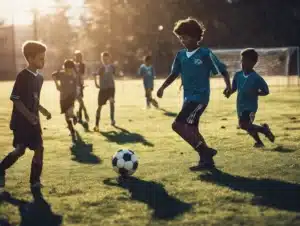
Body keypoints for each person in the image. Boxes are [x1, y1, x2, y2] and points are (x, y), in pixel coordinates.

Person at [157, 17, 231, 170]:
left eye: (185, 36)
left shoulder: (205, 53)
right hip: (188, 99)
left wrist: (228, 86)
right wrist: (162, 87)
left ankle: (205, 151)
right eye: (180, 37)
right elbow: (174, 74)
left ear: (196, 36)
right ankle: (206, 162)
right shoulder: (181, 55)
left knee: (177, 125)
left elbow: (222, 69)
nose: (182, 40)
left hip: (200, 98)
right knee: (192, 129)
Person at [0, 41, 51, 190]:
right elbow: (16, 99)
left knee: (39, 148)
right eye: (40, 58)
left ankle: (35, 181)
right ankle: (1, 169)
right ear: (30, 58)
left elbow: (34, 99)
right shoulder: (22, 76)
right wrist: (29, 116)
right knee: (20, 150)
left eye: (44, 58)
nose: (43, 61)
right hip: (21, 121)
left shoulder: (40, 78)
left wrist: (42, 110)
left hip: (34, 122)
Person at [225, 48, 275, 147]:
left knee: (243, 125)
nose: (242, 62)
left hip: (251, 106)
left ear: (253, 63)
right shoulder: (238, 75)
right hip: (240, 105)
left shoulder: (256, 78)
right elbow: (234, 88)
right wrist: (229, 92)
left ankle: (263, 130)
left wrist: (255, 93)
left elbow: (266, 91)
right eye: (241, 60)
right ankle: (259, 142)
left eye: (245, 60)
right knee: (247, 126)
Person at [52, 59, 78, 143]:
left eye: (72, 68)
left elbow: (76, 86)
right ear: (66, 68)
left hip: (71, 97)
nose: (70, 70)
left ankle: (74, 117)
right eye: (69, 68)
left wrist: (77, 93)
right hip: (62, 98)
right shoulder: (61, 74)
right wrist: (57, 84)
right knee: (67, 117)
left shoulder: (74, 76)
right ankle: (72, 130)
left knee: (69, 112)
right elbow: (53, 75)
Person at [93, 52, 116, 132]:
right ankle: (96, 125)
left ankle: (112, 120)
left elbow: (113, 74)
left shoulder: (112, 67)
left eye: (106, 59)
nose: (105, 60)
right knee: (99, 107)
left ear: (109, 59)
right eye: (103, 59)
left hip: (111, 88)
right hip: (103, 89)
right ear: (101, 59)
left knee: (112, 103)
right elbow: (96, 75)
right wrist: (96, 83)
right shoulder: (101, 68)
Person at [74, 50, 89, 123]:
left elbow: (81, 75)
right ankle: (83, 114)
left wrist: (82, 84)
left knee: (80, 101)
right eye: (77, 57)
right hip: (74, 85)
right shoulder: (73, 64)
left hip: (79, 85)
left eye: (80, 57)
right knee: (79, 101)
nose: (78, 58)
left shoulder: (82, 65)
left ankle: (79, 116)